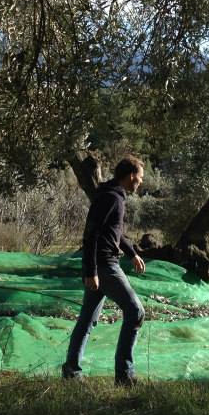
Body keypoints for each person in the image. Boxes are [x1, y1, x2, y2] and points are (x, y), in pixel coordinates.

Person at [63, 156, 147, 385]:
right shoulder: (111, 197)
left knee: (87, 320)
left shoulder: (112, 195)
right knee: (136, 312)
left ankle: (72, 372)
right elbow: (91, 234)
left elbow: (115, 232)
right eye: (139, 177)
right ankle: (124, 375)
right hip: (104, 265)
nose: (140, 182)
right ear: (131, 175)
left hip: (103, 264)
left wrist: (132, 253)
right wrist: (91, 271)